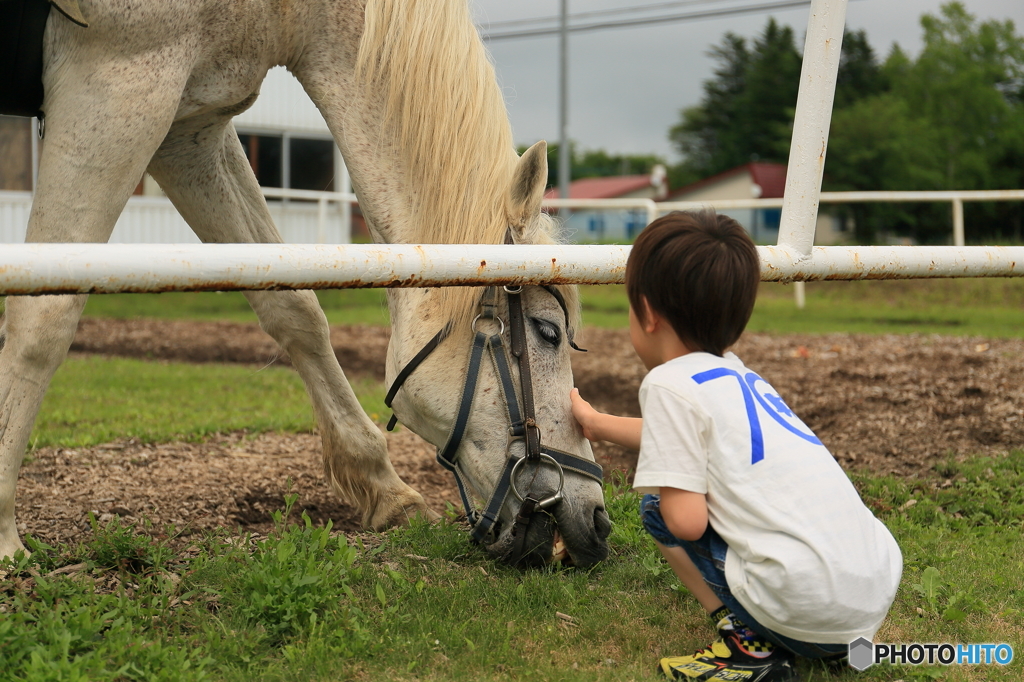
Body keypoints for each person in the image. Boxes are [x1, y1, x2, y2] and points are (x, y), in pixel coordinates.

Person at [570, 211, 902, 682]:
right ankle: (817, 640)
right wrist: (598, 425)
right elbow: (678, 438)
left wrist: (684, 491)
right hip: (865, 606)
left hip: (805, 608)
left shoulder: (667, 383)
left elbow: (686, 522)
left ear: (646, 312)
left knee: (654, 508)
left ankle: (746, 646)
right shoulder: (739, 376)